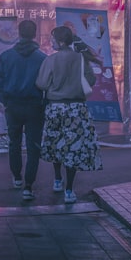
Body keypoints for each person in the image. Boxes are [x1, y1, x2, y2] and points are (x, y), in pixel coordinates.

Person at [35, 25, 103, 204]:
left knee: (56, 144)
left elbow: (41, 83)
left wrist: (54, 86)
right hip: (77, 109)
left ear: (61, 41)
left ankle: (57, 179)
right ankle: (69, 189)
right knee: (73, 148)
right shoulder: (81, 59)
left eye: (52, 40)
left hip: (56, 108)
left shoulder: (50, 60)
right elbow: (91, 79)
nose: (51, 43)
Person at [0, 20, 47, 200]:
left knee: (14, 143)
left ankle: (16, 177)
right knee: (33, 147)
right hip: (35, 107)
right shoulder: (42, 58)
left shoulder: (6, 56)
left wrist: (5, 100)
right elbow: (46, 85)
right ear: (35, 34)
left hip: (13, 106)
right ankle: (28, 186)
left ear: (19, 32)